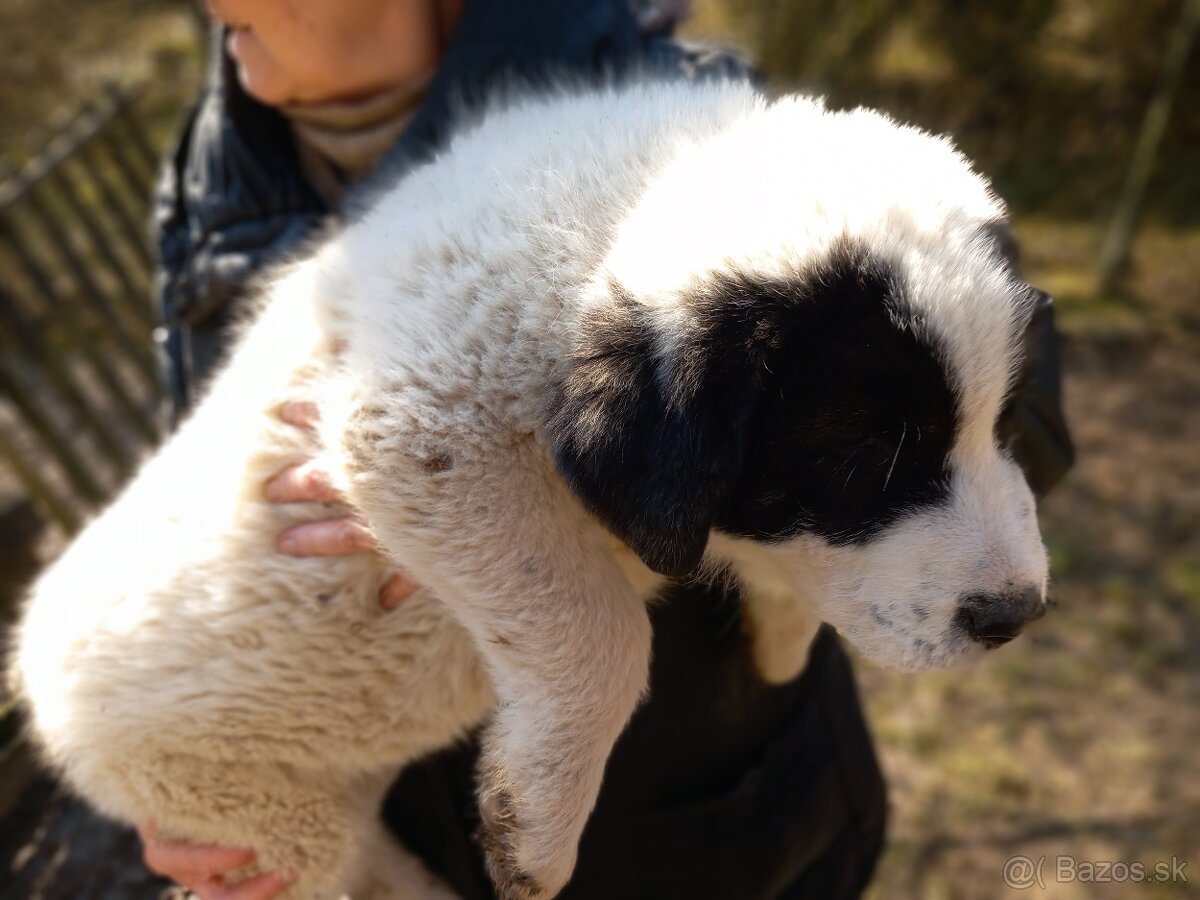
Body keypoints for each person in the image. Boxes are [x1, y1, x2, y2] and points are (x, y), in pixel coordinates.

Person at [140, 2, 1074, 898]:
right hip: (409, 803)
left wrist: (532, 526)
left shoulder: (709, 131)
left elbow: (1015, 399)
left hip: (708, 820)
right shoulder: (208, 182)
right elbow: (188, 498)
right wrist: (187, 768)